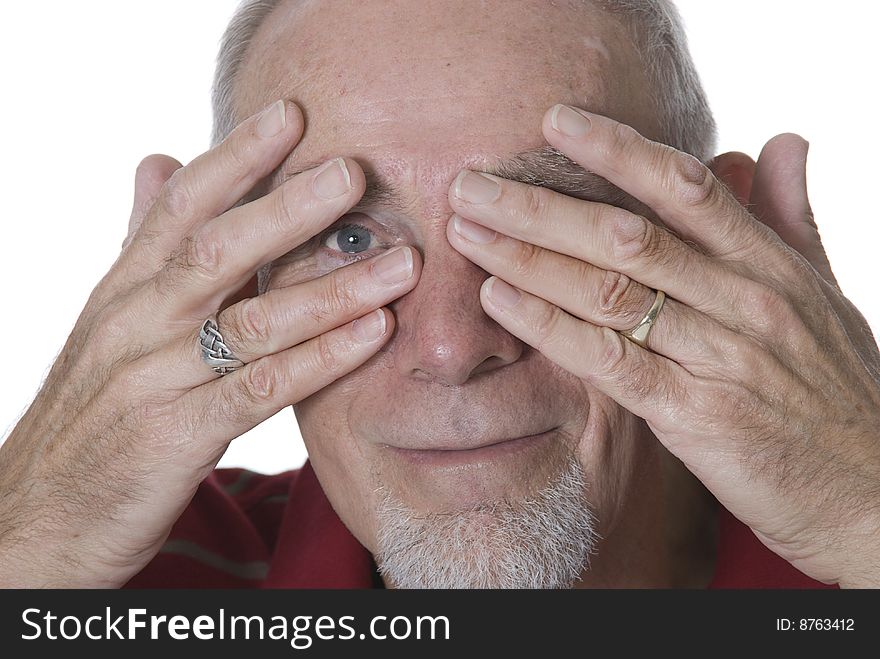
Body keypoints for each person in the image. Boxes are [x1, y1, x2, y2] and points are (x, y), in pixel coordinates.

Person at [1, 0, 878, 589]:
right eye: (349, 238)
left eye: (543, 222)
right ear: (227, 273)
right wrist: (30, 538)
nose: (453, 350)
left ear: (729, 241)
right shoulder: (117, 582)